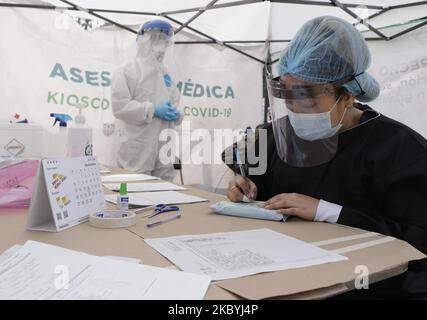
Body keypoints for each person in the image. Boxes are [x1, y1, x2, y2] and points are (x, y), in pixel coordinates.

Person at [226, 16, 427, 298]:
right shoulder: (280, 132)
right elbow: (245, 158)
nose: (295, 111)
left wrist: (328, 212)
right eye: (288, 98)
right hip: (275, 273)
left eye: (307, 101)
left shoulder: (399, 149)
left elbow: (417, 239)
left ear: (347, 95)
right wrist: (241, 179)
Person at [111, 19, 183, 181]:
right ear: (144, 41)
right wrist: (152, 110)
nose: (161, 45)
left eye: (165, 40)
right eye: (156, 38)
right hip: (138, 147)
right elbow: (119, 106)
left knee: (164, 190)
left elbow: (174, 103)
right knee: (135, 190)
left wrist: (176, 114)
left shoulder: (166, 75)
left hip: (165, 145)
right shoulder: (127, 70)